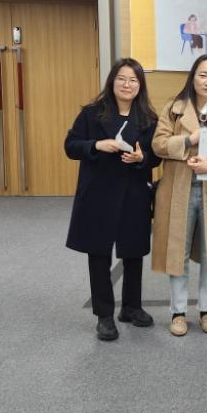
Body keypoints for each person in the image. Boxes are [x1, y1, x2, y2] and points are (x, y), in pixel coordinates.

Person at [64, 58, 161, 342]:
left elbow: (156, 156)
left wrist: (142, 157)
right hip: (99, 193)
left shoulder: (148, 118)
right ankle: (104, 315)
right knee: (99, 255)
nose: (127, 84)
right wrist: (97, 145)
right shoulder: (92, 114)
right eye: (121, 78)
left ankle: (131, 307)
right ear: (112, 81)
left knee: (133, 252)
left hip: (134, 193)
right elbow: (70, 146)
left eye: (133, 80)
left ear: (140, 85)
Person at [151, 54, 207, 336]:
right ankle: (178, 312)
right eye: (203, 75)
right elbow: (158, 144)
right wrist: (189, 140)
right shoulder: (174, 108)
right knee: (176, 251)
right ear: (192, 78)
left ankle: (206, 310)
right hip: (177, 190)